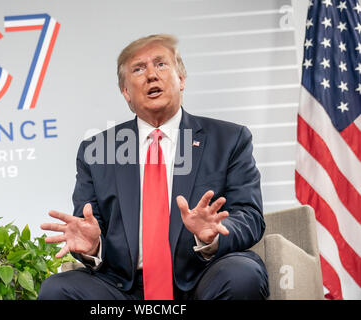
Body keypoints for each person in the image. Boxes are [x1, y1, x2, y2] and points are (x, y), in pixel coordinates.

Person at [38, 34, 269, 300]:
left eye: (161, 64)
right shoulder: (96, 151)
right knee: (57, 290)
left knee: (242, 275)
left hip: (202, 278)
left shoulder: (229, 139)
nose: (151, 75)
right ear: (126, 91)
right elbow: (88, 224)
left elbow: (250, 216)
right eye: (138, 69)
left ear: (181, 80)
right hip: (125, 290)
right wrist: (93, 246)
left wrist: (211, 236)